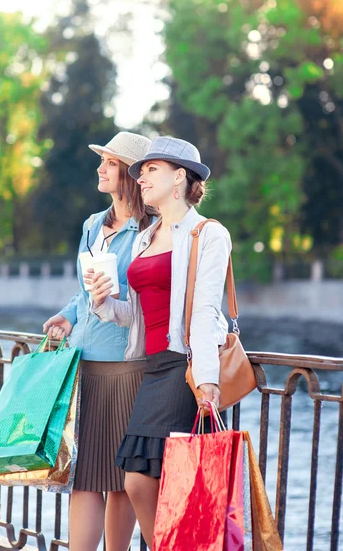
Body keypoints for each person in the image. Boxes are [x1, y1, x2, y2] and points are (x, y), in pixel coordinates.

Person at [90, 136, 232, 549]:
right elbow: (134, 314)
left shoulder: (208, 234)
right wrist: (104, 302)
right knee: (149, 477)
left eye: (151, 169)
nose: (141, 177)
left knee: (140, 478)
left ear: (179, 177)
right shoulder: (144, 236)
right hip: (151, 365)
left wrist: (207, 380)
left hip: (184, 365)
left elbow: (205, 310)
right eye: (141, 170)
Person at [43, 131, 158, 551]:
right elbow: (82, 291)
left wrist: (114, 298)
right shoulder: (93, 225)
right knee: (85, 477)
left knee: (121, 481)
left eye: (108, 162)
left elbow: (150, 295)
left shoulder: (152, 230)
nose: (99, 168)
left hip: (129, 367)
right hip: (85, 362)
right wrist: (67, 316)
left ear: (129, 172)